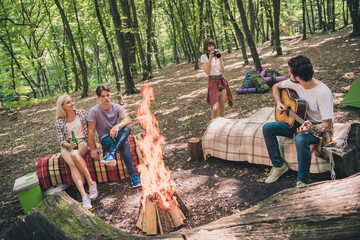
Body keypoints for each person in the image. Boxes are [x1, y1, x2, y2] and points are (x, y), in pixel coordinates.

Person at [262, 56, 334, 188]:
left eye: (290, 72)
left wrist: (310, 128)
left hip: (318, 128)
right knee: (267, 128)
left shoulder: (323, 93)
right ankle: (279, 166)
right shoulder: (294, 83)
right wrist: (279, 103)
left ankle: (303, 181)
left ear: (298, 78)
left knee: (301, 139)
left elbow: (327, 124)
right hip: (298, 122)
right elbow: (275, 87)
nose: (288, 74)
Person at [87, 85, 141, 188]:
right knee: (125, 143)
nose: (106, 98)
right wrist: (93, 149)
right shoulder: (94, 111)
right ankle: (133, 175)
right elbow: (91, 131)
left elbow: (128, 119)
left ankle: (111, 154)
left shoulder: (116, 107)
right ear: (98, 98)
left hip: (117, 135)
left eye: (108, 95)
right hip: (105, 139)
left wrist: (117, 126)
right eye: (103, 96)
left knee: (127, 128)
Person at [55, 95, 98, 209]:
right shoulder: (60, 122)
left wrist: (93, 146)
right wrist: (69, 145)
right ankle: (84, 195)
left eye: (72, 101)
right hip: (67, 146)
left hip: (81, 142)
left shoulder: (82, 113)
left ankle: (91, 184)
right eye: (68, 102)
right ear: (63, 106)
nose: (72, 103)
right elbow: (61, 141)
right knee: (72, 165)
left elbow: (90, 130)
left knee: (75, 154)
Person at [201, 38, 233, 119]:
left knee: (222, 107)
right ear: (206, 47)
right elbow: (207, 72)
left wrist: (219, 58)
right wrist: (210, 59)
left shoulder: (217, 55)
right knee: (215, 109)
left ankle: (222, 127)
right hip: (212, 81)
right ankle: (213, 128)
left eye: (212, 46)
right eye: (209, 46)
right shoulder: (204, 57)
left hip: (221, 80)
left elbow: (222, 70)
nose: (211, 48)